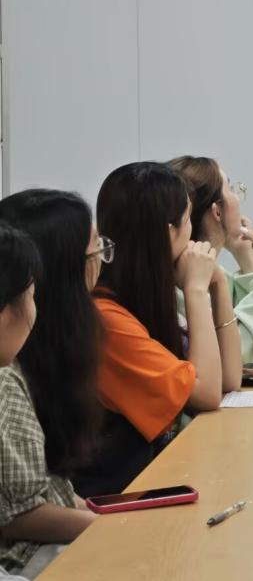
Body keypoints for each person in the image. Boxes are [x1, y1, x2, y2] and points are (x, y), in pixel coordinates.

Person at [75, 162, 243, 496]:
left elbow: (229, 380)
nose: (191, 235)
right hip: (116, 494)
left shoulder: (142, 296)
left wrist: (219, 285)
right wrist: (196, 290)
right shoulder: (106, 318)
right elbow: (207, 394)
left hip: (148, 477)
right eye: (187, 220)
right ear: (168, 232)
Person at [0, 221, 95, 578]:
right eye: (30, 295)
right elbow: (17, 516)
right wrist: (106, 527)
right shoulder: (4, 382)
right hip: (26, 556)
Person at [168, 157, 253, 362]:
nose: (238, 197)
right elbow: (234, 357)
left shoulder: (212, 273)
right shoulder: (184, 280)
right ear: (217, 211)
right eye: (231, 188)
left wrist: (248, 259)